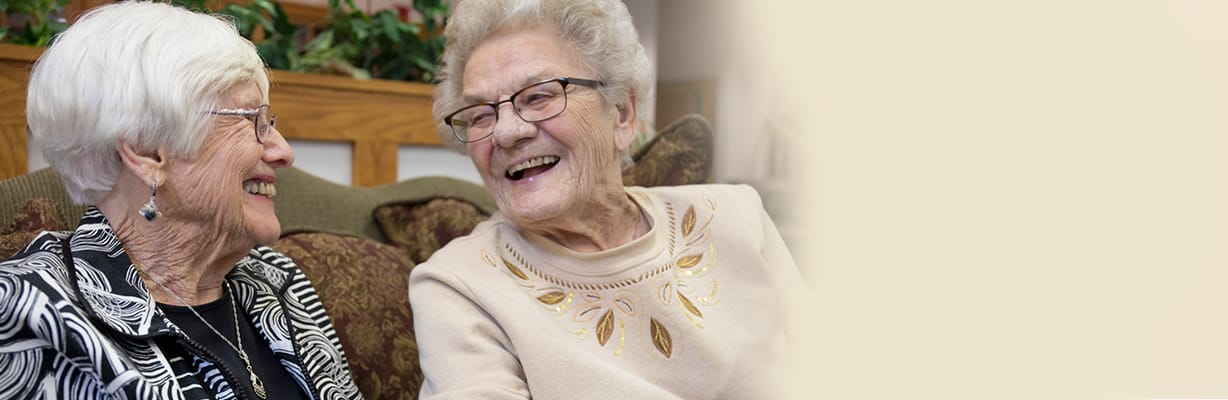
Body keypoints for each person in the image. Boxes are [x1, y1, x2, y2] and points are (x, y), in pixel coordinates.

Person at [410, 0, 808, 398]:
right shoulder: (459, 285)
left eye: (539, 97)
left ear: (622, 113)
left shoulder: (736, 216)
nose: (505, 133)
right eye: (481, 115)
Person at [0, 3, 362, 399]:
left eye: (269, 122)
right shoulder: (29, 310)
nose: (283, 151)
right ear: (147, 151)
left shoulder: (278, 280)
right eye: (251, 120)